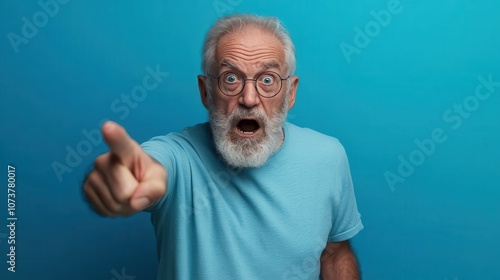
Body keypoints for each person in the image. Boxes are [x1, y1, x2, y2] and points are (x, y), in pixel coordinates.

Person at [83, 14, 363, 280]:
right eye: (231, 78)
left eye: (267, 80)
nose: (249, 98)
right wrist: (127, 178)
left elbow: (335, 253)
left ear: (290, 93)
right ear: (205, 91)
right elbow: (150, 167)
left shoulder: (328, 157)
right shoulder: (180, 158)